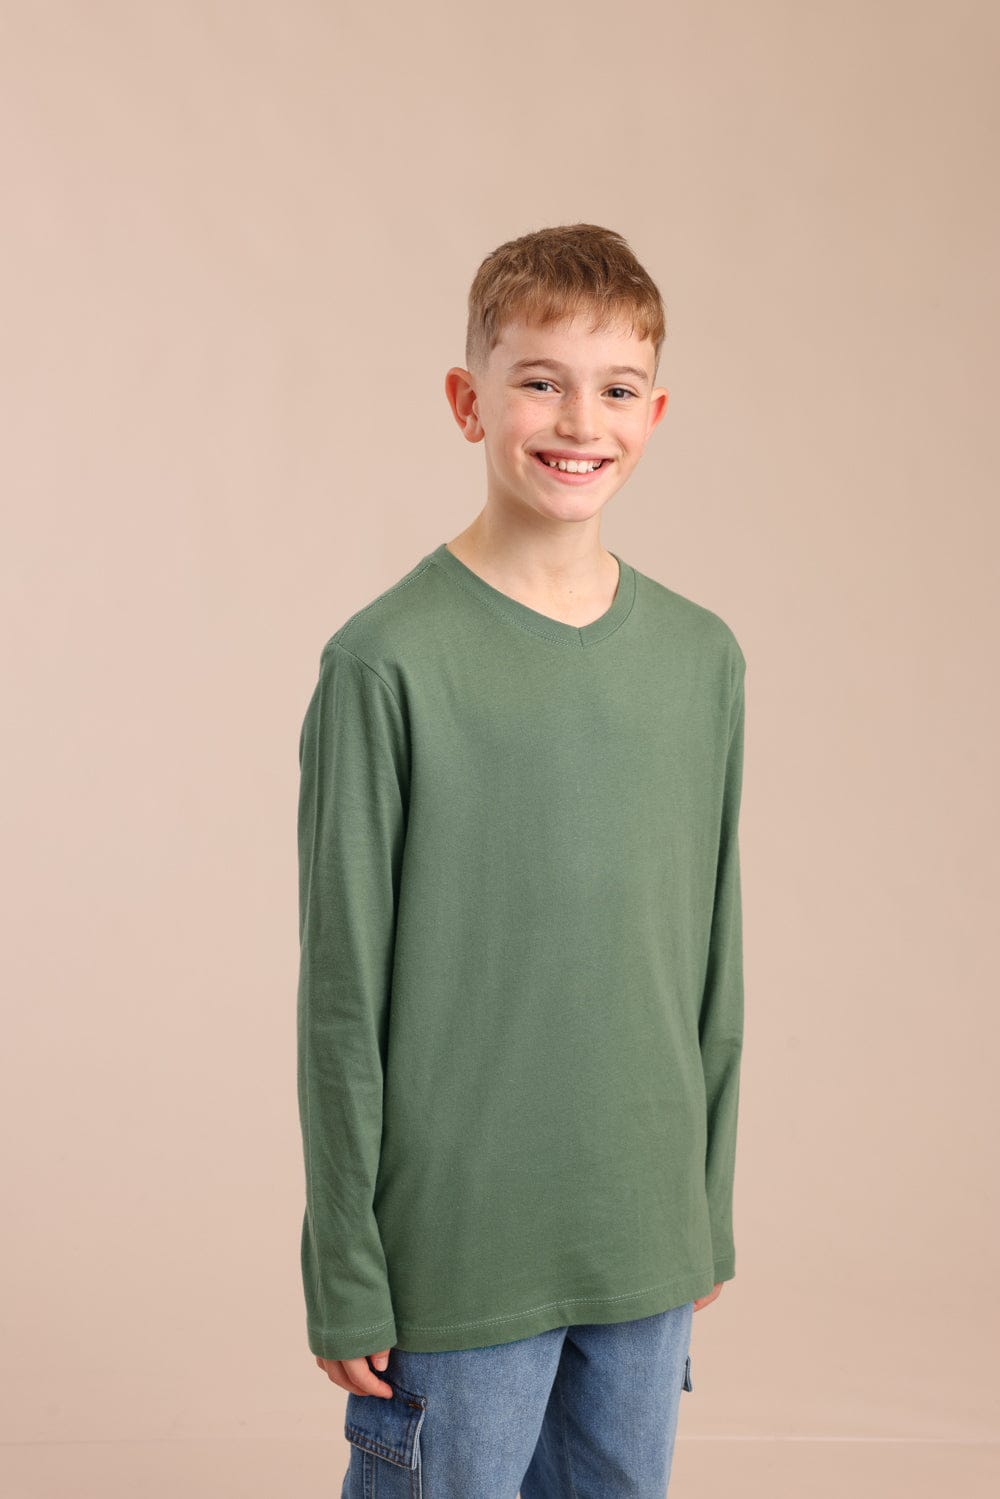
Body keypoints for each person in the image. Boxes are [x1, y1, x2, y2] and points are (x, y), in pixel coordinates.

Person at [295, 222, 748, 1498]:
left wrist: (702, 1203)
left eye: (616, 389)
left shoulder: (701, 659)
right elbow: (342, 998)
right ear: (468, 400)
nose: (579, 421)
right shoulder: (384, 663)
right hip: (457, 1248)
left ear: (654, 413)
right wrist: (345, 1261)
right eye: (540, 380)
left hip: (643, 1237)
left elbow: (710, 956)